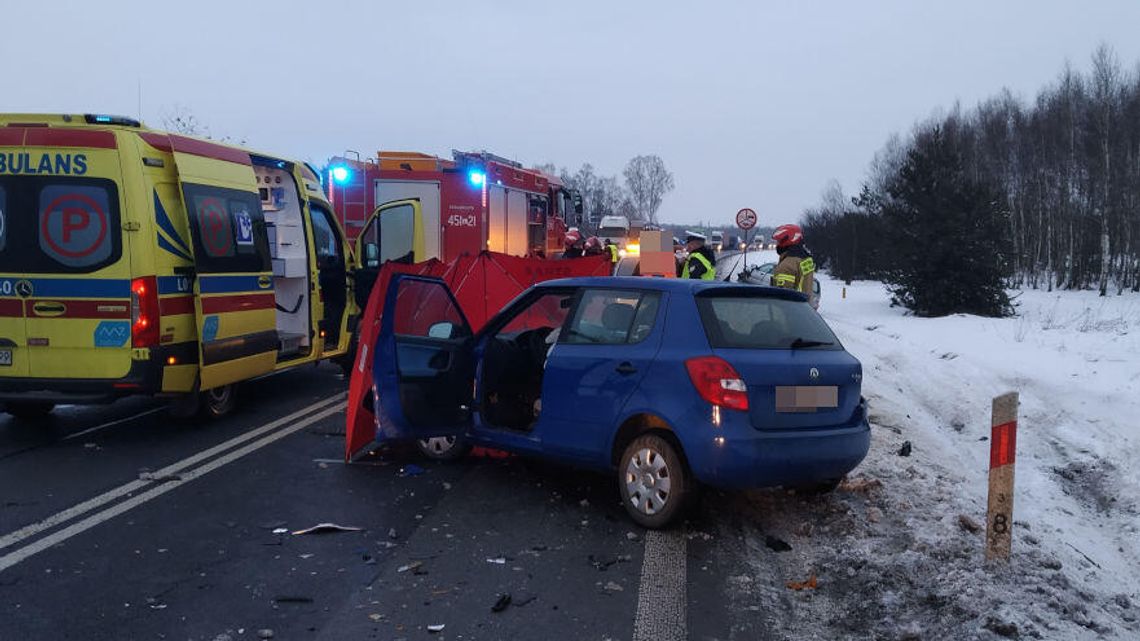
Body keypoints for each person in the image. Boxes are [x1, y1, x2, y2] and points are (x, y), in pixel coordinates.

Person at [770, 223, 817, 307]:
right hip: (806, 308)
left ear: (787, 240)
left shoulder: (787, 266)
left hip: (791, 312)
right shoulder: (806, 259)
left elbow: (783, 296)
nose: (777, 244)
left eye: (779, 241)